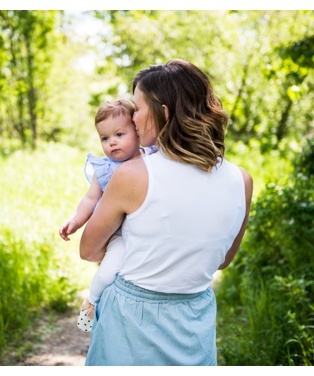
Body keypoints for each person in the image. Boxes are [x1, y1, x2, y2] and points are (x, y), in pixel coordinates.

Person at [79, 59, 253, 366]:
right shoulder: (242, 180)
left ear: (164, 113)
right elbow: (223, 259)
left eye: (137, 107)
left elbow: (89, 250)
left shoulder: (133, 174)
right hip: (194, 322)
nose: (132, 118)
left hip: (131, 324)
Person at [58, 99, 157, 332]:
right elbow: (90, 199)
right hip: (118, 233)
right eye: (105, 138)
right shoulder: (104, 168)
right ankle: (91, 302)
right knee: (110, 268)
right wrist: (75, 221)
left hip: (147, 229)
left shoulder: (153, 158)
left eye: (119, 134)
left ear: (137, 131)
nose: (112, 142)